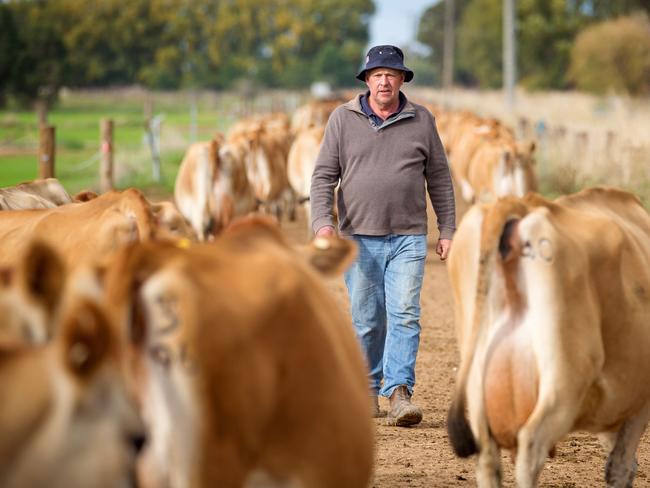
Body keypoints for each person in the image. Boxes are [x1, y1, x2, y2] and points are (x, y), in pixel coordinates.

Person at [310, 45, 456, 427]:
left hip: (408, 236)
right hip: (357, 236)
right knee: (366, 319)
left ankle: (399, 393)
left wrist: (448, 229)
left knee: (406, 314)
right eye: (377, 74)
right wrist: (323, 224)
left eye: (391, 73)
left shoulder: (422, 120)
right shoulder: (342, 119)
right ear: (367, 80)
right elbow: (324, 176)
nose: (384, 80)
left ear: (403, 78)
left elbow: (439, 178)